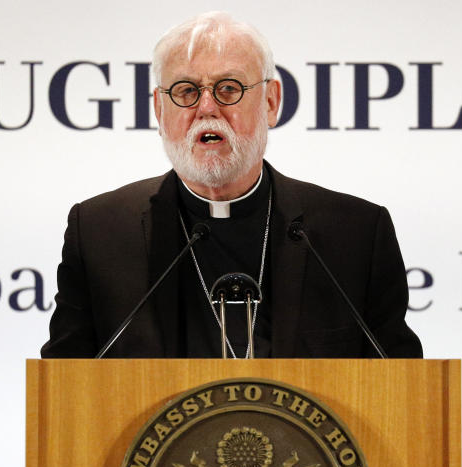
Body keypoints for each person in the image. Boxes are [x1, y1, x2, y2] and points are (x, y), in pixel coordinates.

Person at [41, 11, 422, 359]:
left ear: (271, 102)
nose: (206, 108)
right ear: (159, 109)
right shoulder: (98, 233)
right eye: (187, 91)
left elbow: (401, 392)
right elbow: (62, 395)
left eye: (228, 89)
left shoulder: (355, 235)